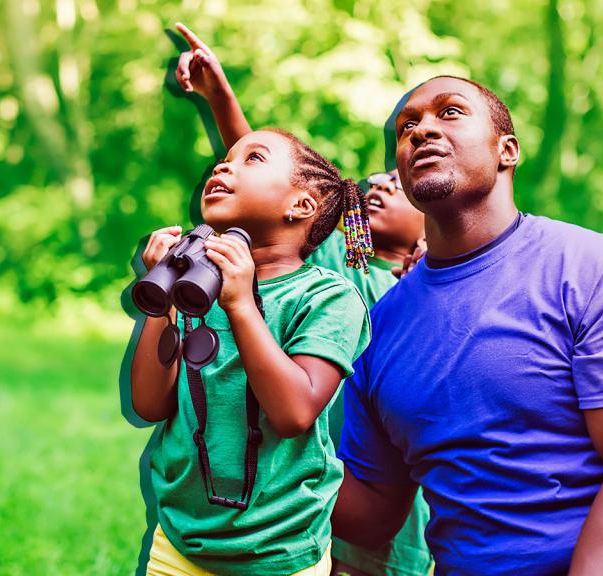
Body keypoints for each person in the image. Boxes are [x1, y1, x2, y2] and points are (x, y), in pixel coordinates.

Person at [331, 75, 603, 576]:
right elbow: (372, 514)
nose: (421, 131)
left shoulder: (592, 271)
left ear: (507, 150)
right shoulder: (379, 328)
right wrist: (260, 450)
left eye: (450, 112)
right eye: (406, 126)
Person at [173, 23, 431, 576]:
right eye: (376, 180)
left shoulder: (426, 287)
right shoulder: (345, 261)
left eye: (400, 185)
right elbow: (273, 191)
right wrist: (221, 100)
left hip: (389, 477)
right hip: (312, 469)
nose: (382, 184)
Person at [130, 127, 373, 575]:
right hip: (182, 539)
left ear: (300, 205)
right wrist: (159, 302)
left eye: (253, 158)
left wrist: (241, 304)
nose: (224, 165)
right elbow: (148, 403)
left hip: (280, 547)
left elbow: (293, 413)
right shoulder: (192, 288)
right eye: (226, 158)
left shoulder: (328, 298)